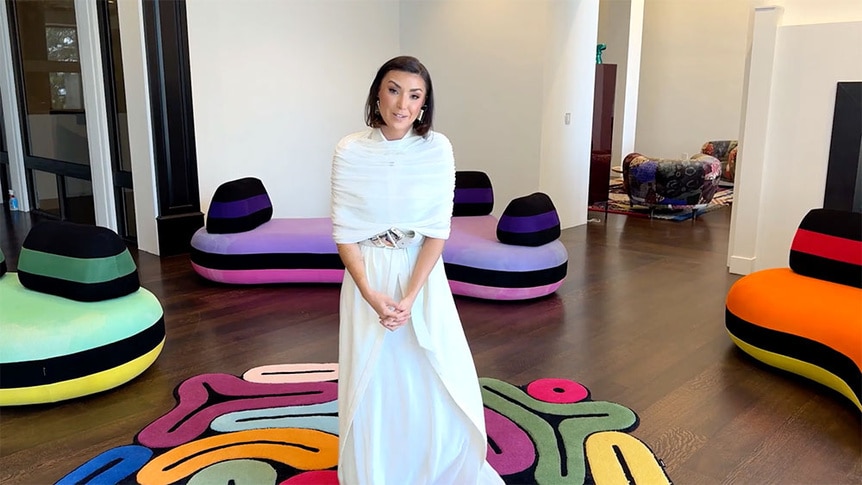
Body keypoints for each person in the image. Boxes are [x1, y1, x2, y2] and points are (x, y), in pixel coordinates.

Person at [330, 56, 504, 485]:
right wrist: (372, 294)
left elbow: (436, 231)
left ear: (425, 103)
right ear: (377, 93)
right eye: (393, 90)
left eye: (414, 95)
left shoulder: (437, 149)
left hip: (420, 276)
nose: (402, 104)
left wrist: (408, 296)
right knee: (373, 376)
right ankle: (376, 470)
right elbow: (344, 232)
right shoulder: (350, 150)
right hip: (365, 276)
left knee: (432, 366)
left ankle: (433, 461)